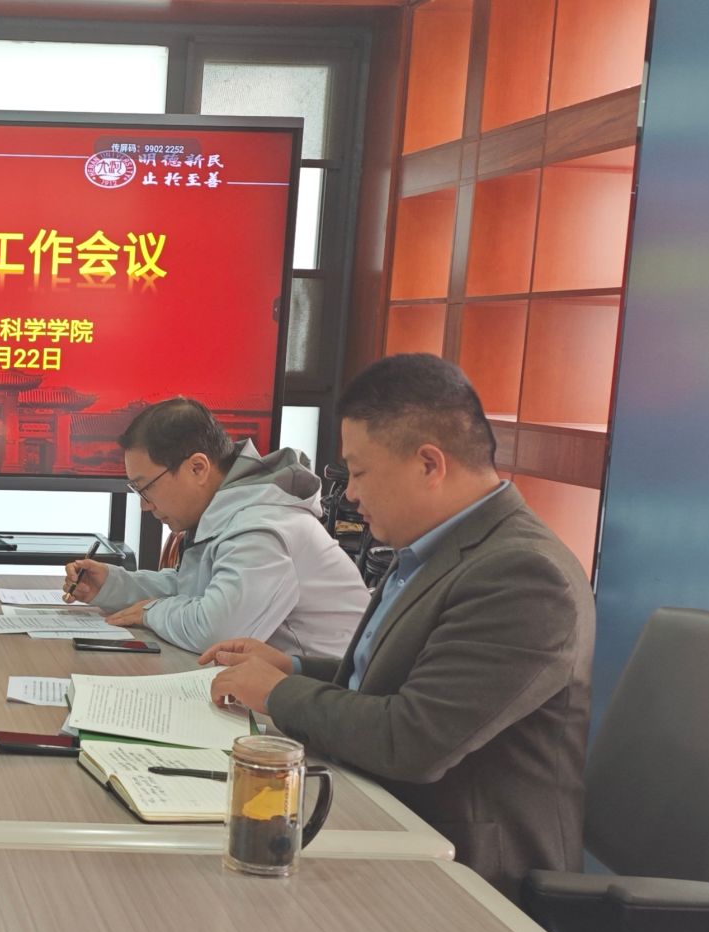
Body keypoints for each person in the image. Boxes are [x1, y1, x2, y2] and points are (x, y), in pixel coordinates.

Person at [203, 354, 593, 896]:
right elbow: (392, 681)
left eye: (360, 472)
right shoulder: (433, 545)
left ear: (429, 465)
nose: (350, 494)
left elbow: (411, 739)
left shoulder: (525, 576)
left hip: (465, 872)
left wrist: (278, 692)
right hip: (382, 814)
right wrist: (291, 666)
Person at [62, 397, 369, 656]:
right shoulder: (231, 509)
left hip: (322, 697)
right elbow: (192, 589)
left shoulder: (263, 525)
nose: (145, 505)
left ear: (198, 468)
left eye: (146, 488)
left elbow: (219, 632)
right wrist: (113, 585)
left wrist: (150, 612)